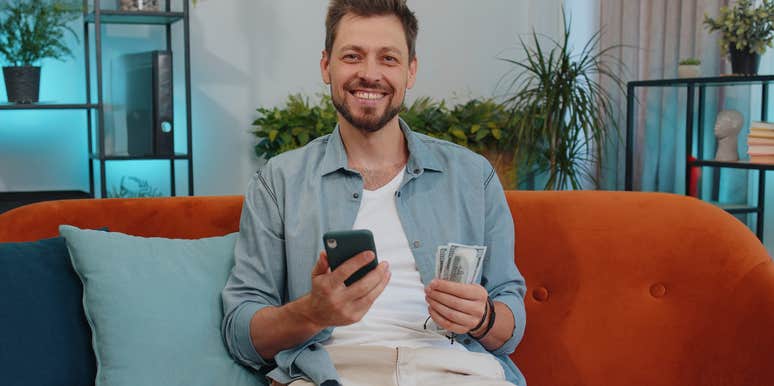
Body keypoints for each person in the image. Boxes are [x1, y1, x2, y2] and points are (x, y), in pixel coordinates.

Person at [221, 1, 527, 385]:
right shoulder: (278, 182)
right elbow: (241, 334)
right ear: (326, 66)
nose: (369, 74)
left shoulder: (472, 176)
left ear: (410, 71)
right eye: (352, 56)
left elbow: (509, 320)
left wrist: (483, 318)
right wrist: (311, 312)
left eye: (388, 58)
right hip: (331, 372)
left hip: (454, 370)